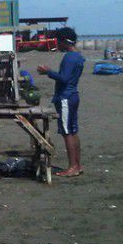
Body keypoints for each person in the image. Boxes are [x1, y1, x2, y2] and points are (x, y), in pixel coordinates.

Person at [37, 27, 85, 177]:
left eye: (58, 40)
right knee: (73, 131)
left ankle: (72, 167)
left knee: (67, 132)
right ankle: (77, 164)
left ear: (65, 41)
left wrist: (48, 72)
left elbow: (64, 78)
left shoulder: (70, 57)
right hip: (72, 95)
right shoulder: (77, 56)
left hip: (66, 96)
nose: (57, 43)